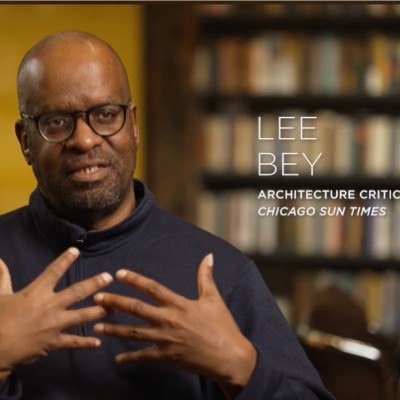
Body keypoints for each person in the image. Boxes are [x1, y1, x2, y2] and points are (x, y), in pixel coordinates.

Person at [0, 31, 334, 400]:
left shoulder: (219, 274)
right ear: (25, 140)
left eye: (106, 115)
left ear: (134, 124)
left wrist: (242, 368)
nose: (85, 140)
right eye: (56, 122)